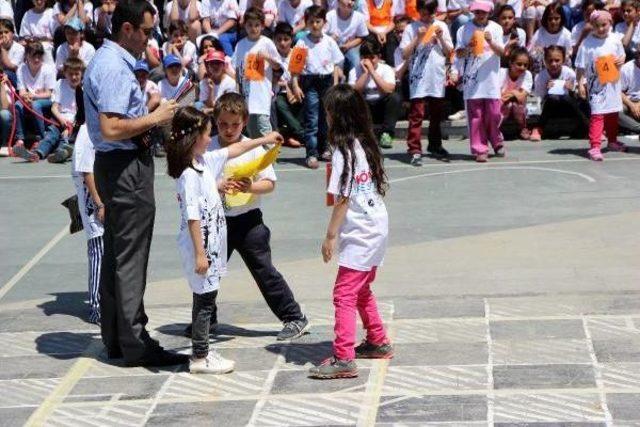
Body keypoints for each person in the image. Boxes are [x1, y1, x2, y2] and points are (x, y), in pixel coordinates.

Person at [84, 0, 184, 367]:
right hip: (124, 165)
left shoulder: (108, 60)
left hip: (115, 164)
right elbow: (111, 128)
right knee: (130, 256)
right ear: (126, 29)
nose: (148, 39)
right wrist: (156, 117)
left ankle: (115, 338)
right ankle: (135, 341)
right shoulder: (113, 66)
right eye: (144, 31)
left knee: (116, 252)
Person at [166, 106, 281, 373]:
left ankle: (201, 349)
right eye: (208, 134)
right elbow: (192, 216)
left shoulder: (202, 163)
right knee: (204, 301)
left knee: (207, 296)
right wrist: (199, 253)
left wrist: (264, 140)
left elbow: (236, 150)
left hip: (212, 242)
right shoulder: (188, 174)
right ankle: (199, 356)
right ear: (195, 138)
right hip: (202, 244)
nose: (212, 138)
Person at [207, 92, 309, 340]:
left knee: (264, 271)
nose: (229, 129)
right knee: (208, 272)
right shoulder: (208, 146)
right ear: (215, 122)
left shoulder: (253, 149)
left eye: (235, 124)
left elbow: (270, 183)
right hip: (218, 220)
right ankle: (206, 320)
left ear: (244, 122)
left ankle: (294, 317)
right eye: (223, 124)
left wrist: (249, 187)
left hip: (249, 221)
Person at [309, 84, 392, 380]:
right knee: (361, 288)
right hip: (377, 224)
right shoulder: (363, 143)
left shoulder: (343, 151)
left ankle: (344, 357)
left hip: (363, 231)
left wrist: (330, 236)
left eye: (328, 113)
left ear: (337, 116)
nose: (326, 117)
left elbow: (342, 199)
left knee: (343, 293)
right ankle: (378, 340)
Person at [399, 0, 453, 166]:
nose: (426, 17)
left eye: (429, 13)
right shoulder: (411, 28)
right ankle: (414, 149)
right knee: (417, 114)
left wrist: (441, 39)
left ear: (435, 11)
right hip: (419, 76)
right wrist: (418, 38)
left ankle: (435, 144)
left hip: (436, 75)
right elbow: (404, 54)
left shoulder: (441, 26)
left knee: (436, 113)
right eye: (423, 13)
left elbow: (449, 51)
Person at [291, 5, 344, 169]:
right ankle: (311, 153)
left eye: (318, 21)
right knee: (312, 118)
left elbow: (336, 64)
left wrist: (335, 85)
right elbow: (295, 68)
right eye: (311, 22)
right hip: (310, 81)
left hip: (326, 80)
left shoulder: (329, 41)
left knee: (326, 118)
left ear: (324, 23)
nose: (315, 25)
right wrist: (295, 85)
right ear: (306, 23)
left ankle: (325, 149)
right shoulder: (302, 42)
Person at [455, 0, 505, 162]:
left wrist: (490, 41)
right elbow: (459, 53)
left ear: (489, 12)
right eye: (477, 12)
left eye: (483, 12)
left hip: (490, 79)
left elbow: (501, 52)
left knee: (494, 113)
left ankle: (496, 139)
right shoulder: (464, 29)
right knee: (476, 116)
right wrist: (469, 46)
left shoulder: (496, 28)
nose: (480, 15)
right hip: (472, 80)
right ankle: (480, 148)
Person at [576, 9, 627, 161]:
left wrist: (621, 59)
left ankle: (612, 141)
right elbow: (580, 66)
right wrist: (580, 83)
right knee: (597, 115)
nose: (601, 29)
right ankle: (595, 146)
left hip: (612, 83)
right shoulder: (587, 43)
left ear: (610, 23)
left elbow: (622, 54)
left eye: (604, 25)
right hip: (596, 87)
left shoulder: (615, 39)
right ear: (592, 25)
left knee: (612, 113)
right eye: (597, 26)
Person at [14, 57, 84, 163]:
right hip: (59, 119)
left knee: (66, 140)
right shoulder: (60, 84)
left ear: (81, 74)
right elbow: (54, 107)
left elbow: (82, 113)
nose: (74, 77)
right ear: (65, 73)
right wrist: (61, 120)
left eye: (77, 74)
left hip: (75, 123)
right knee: (51, 135)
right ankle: (37, 154)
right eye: (70, 74)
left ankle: (61, 153)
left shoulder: (84, 89)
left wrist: (71, 126)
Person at [71, 114, 104, 325]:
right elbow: (86, 170)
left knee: (105, 248)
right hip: (92, 197)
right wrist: (99, 202)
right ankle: (96, 307)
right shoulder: (86, 131)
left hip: (104, 193)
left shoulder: (102, 126)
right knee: (98, 249)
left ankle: (105, 302)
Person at [232, 7, 282, 138]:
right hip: (246, 94)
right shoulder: (240, 45)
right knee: (250, 131)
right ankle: (259, 157)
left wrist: (267, 58)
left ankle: (271, 157)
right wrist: (238, 91)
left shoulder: (267, 43)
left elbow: (278, 66)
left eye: (256, 25)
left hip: (261, 94)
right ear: (244, 26)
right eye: (250, 25)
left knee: (263, 127)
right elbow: (237, 70)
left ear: (262, 26)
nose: (253, 28)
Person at [349, 38, 401, 150]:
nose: (368, 61)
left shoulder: (386, 69)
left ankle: (387, 134)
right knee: (352, 99)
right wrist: (365, 74)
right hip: (365, 107)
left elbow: (388, 89)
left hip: (381, 107)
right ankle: (361, 134)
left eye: (371, 57)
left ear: (379, 57)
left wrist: (372, 72)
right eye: (364, 58)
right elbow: (354, 91)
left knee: (395, 98)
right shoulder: (354, 71)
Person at [532, 45, 588, 140]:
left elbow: (579, 95)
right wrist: (546, 89)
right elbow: (539, 97)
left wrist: (572, 88)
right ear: (545, 61)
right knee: (553, 98)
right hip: (550, 108)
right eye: (550, 61)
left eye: (557, 60)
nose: (554, 64)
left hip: (568, 108)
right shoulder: (540, 77)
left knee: (568, 98)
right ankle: (538, 128)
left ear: (563, 60)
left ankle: (589, 127)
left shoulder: (569, 73)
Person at [13, 41, 56, 151]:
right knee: (18, 105)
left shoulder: (48, 69)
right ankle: (20, 139)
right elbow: (21, 92)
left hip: (45, 100)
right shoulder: (21, 69)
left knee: (35, 105)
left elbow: (48, 93)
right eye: (33, 56)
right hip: (30, 98)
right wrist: (27, 97)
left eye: (39, 56)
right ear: (27, 56)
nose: (37, 60)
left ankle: (40, 137)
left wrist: (33, 96)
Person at [325, 0, 369, 77]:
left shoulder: (359, 17)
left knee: (356, 60)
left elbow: (361, 37)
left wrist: (348, 45)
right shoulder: (330, 16)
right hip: (332, 48)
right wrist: (331, 39)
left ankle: (354, 83)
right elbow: (321, 36)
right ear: (338, 2)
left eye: (353, 0)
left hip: (350, 47)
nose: (350, 2)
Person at [499, 47, 533, 139]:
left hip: (519, 106)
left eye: (525, 65)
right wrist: (515, 93)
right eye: (519, 64)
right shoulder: (501, 73)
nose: (522, 67)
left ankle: (523, 128)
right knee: (507, 105)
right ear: (510, 63)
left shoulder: (527, 75)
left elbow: (521, 97)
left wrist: (511, 93)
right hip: (502, 105)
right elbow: (499, 97)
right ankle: (495, 129)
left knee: (517, 105)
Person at [529, 2, 572, 73]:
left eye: (556, 18)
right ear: (546, 19)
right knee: (536, 56)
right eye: (550, 19)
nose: (553, 21)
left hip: (559, 66)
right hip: (544, 67)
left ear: (561, 19)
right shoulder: (540, 32)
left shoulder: (566, 34)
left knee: (567, 59)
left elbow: (569, 52)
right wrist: (538, 50)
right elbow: (530, 50)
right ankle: (538, 80)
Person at [0, 18, 25, 88]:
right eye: (0, 33)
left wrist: (2, 48)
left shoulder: (19, 48)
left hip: (15, 78)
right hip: (2, 76)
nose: (3, 35)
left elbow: (11, 67)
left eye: (6, 32)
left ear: (13, 34)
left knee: (6, 73)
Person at [620, 51, 640, 132]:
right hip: (628, 101)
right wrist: (632, 105)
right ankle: (638, 128)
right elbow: (618, 91)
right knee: (615, 109)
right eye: (639, 53)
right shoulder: (627, 68)